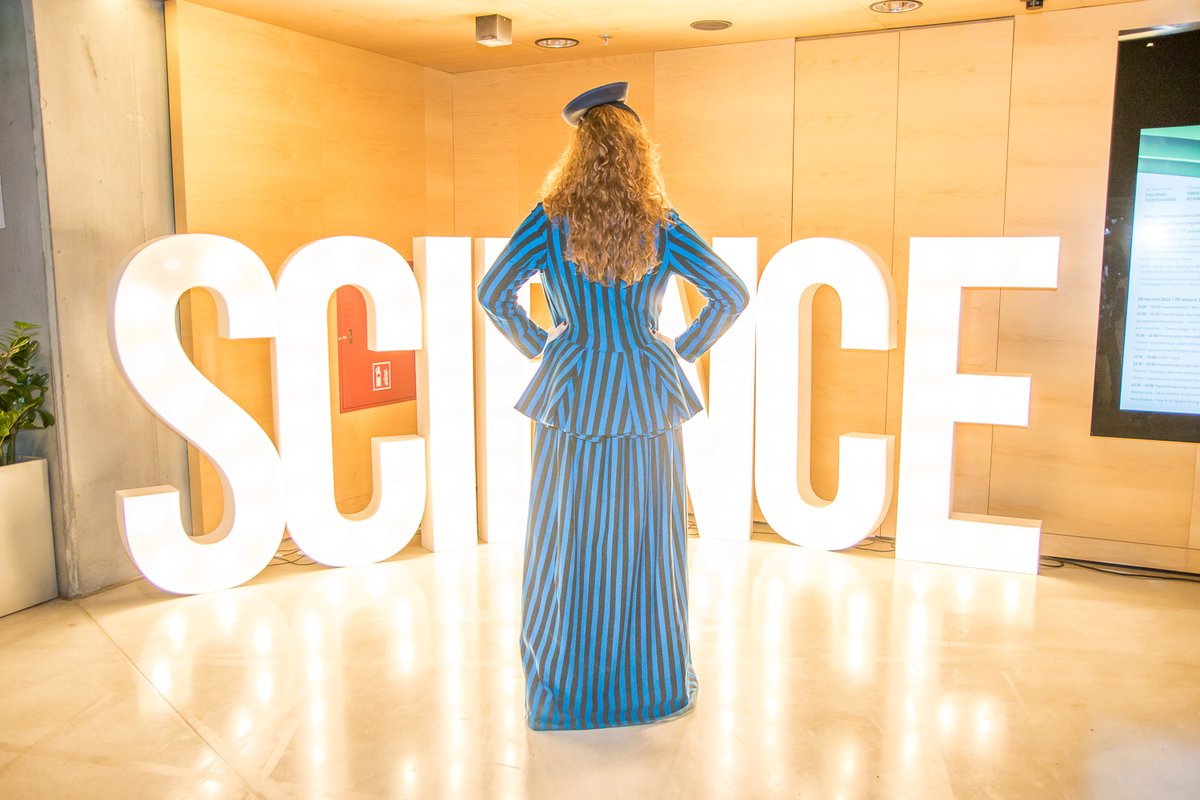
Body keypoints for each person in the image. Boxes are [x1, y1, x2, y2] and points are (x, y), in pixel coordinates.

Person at [477, 82, 749, 731]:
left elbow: (494, 291)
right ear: (637, 151)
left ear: (579, 150)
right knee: (649, 539)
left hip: (572, 393)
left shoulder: (550, 218)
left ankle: (571, 690)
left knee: (566, 537)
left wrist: (543, 343)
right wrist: (682, 345)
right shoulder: (660, 220)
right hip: (646, 395)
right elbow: (731, 293)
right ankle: (649, 686)